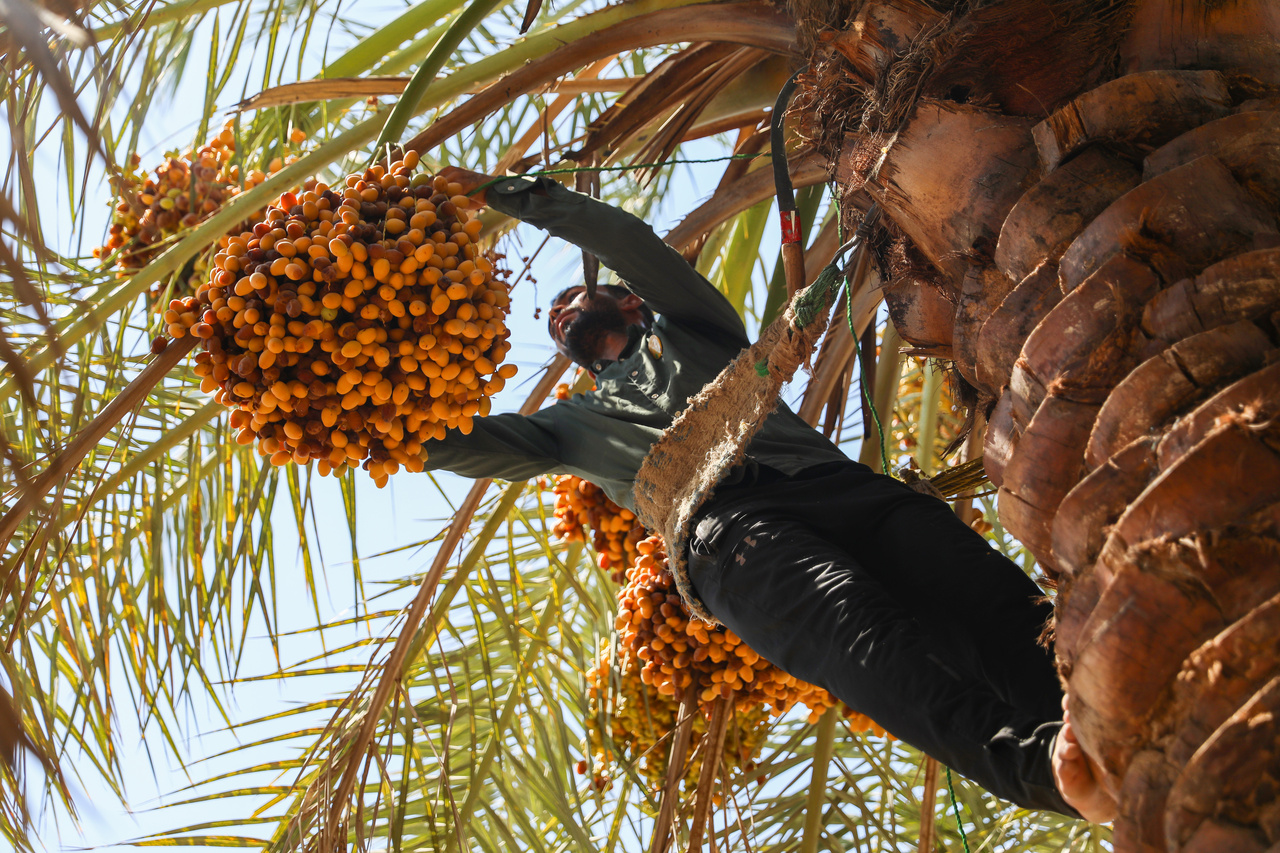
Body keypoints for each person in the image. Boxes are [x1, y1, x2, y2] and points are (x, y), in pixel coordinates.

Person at [424, 166, 1116, 823]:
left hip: (841, 489)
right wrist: (357, 418)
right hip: (730, 535)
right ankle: (1042, 768)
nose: (559, 311)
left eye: (572, 295)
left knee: (991, 598)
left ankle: (1111, 726)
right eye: (553, 317)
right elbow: (461, 443)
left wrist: (502, 193)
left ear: (629, 299)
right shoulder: (570, 428)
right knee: (866, 641)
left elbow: (625, 242)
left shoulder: (696, 328)